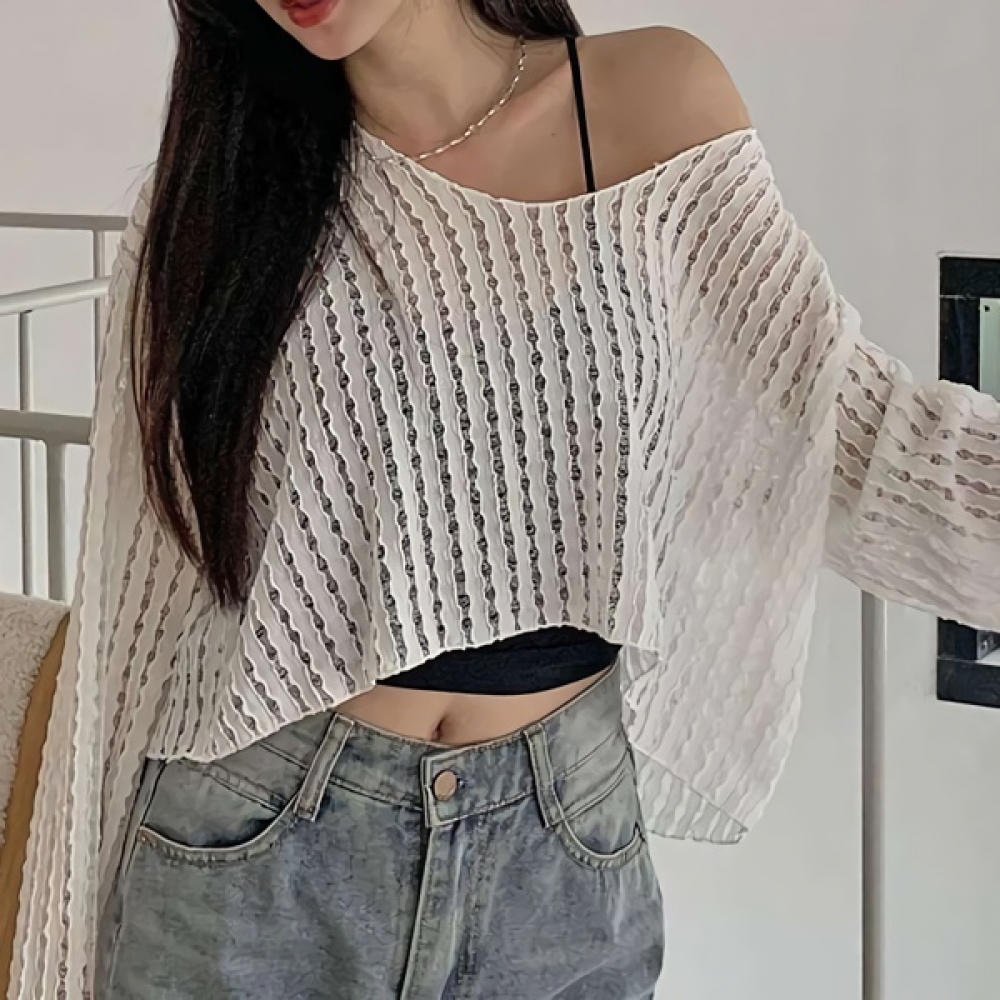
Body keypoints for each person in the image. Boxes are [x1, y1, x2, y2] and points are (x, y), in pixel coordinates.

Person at [8, 1, 1000, 997]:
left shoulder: (651, 104)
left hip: (555, 852)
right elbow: (139, 612)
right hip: (254, 839)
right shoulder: (219, 189)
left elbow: (852, 434)